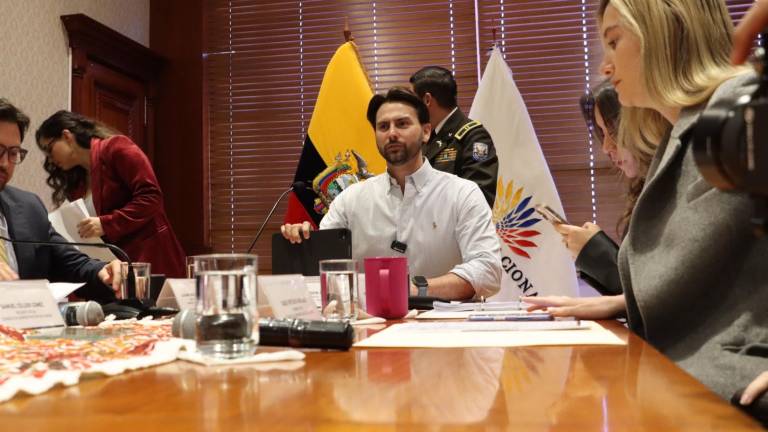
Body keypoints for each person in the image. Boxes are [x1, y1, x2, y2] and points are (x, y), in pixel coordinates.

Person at [526, 0, 768, 408]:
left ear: (665, 30)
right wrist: (628, 302)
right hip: (680, 385)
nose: (605, 67)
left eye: (614, 42)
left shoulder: (736, 107)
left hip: (733, 394)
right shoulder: (681, 133)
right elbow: (730, 271)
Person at [281, 87, 501, 300]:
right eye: (383, 126)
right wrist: (303, 239)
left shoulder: (462, 193)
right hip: (369, 320)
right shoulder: (349, 200)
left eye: (402, 124)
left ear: (426, 132)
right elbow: (323, 267)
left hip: (441, 320)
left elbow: (488, 270)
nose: (392, 133)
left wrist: (414, 290)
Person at [35, 111, 186, 278]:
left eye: (49, 149)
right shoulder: (77, 182)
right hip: (117, 268)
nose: (50, 159)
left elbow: (151, 197)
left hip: (152, 261)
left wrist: (106, 224)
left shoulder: (117, 147)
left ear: (66, 136)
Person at [0, 98, 120, 302]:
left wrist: (103, 271)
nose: (5, 163)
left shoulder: (29, 207)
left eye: (13, 153)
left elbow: (73, 264)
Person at [554, 80, 661, 295]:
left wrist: (593, 250)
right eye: (602, 133)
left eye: (612, 131)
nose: (605, 147)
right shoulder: (646, 188)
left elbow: (651, 296)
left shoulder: (671, 189)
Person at [409, 66, 499, 206]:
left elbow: (479, 198)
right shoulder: (426, 135)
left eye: (412, 100)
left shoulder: (474, 137)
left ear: (427, 100)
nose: (409, 107)